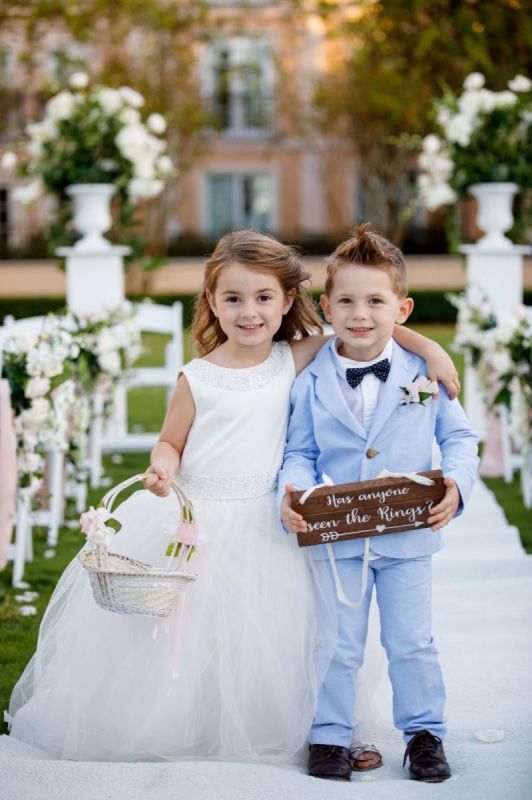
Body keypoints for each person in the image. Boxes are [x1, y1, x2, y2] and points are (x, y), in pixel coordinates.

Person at [8, 229, 460, 764]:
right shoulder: (197, 377)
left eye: (264, 297)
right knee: (194, 633)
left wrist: (427, 345)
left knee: (277, 639)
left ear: (288, 300)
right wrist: (161, 465)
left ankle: (320, 727)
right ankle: (186, 724)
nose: (250, 312)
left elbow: (364, 332)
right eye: (234, 299)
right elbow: (171, 441)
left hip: (265, 520)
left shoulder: (293, 357)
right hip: (199, 519)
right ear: (213, 304)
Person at [279, 223, 479, 783]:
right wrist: (291, 492)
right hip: (337, 537)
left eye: (375, 301)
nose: (359, 313)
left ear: (402, 308)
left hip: (408, 535)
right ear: (326, 307)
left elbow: (460, 439)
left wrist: (456, 487)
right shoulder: (312, 380)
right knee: (337, 643)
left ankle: (424, 733)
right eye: (346, 300)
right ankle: (329, 735)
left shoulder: (424, 372)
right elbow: (300, 450)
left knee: (411, 640)